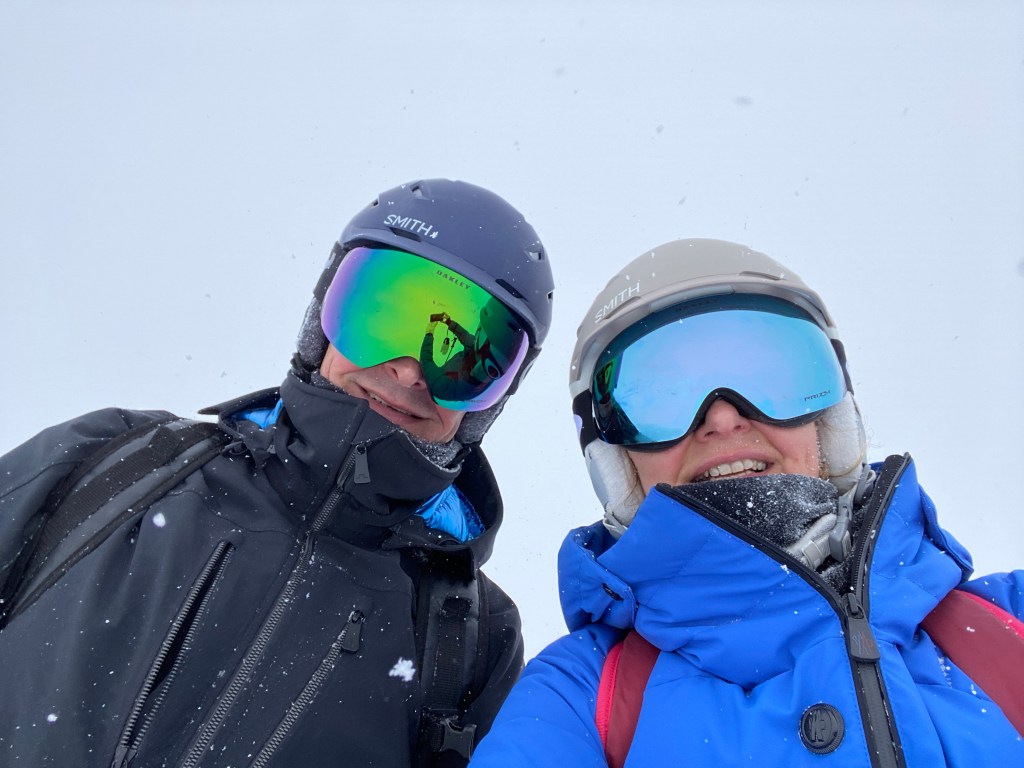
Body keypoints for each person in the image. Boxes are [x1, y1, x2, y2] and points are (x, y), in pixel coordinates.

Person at [0, 179, 555, 766]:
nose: (410, 370)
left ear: (489, 405)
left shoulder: (471, 640)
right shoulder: (117, 461)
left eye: (465, 359)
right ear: (322, 324)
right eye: (383, 317)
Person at [470, 238, 1024, 766]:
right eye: (662, 395)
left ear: (830, 419)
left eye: (771, 377)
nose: (722, 417)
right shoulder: (581, 699)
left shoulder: (1007, 622)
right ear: (617, 464)